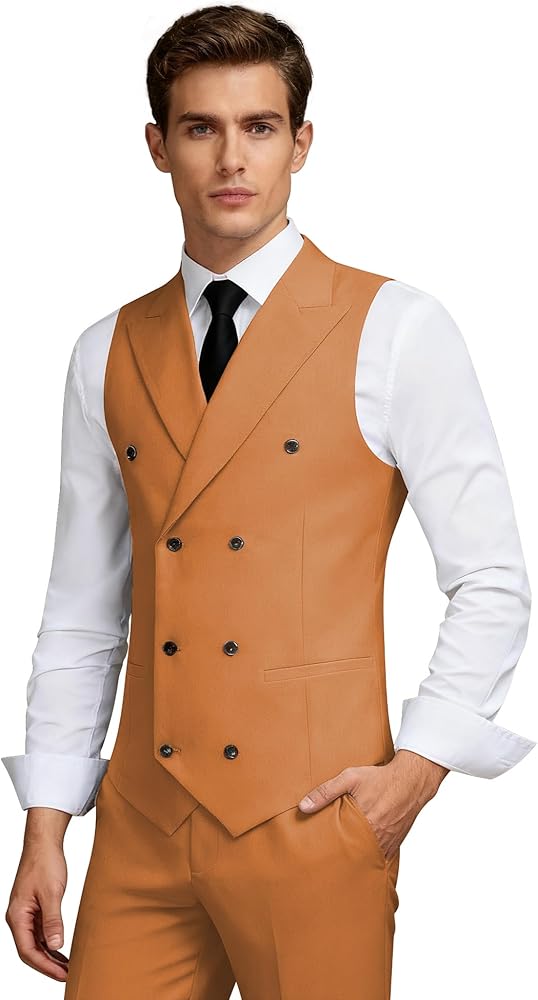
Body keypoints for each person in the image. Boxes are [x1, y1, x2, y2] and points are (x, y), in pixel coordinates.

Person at [3, 5, 535, 998]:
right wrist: (45, 822)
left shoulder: (396, 327)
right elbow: (82, 609)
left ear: (302, 142)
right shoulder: (103, 350)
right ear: (157, 147)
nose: (231, 158)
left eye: (258, 126)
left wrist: (414, 774)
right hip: (142, 828)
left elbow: (492, 580)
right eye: (200, 128)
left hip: (314, 819)